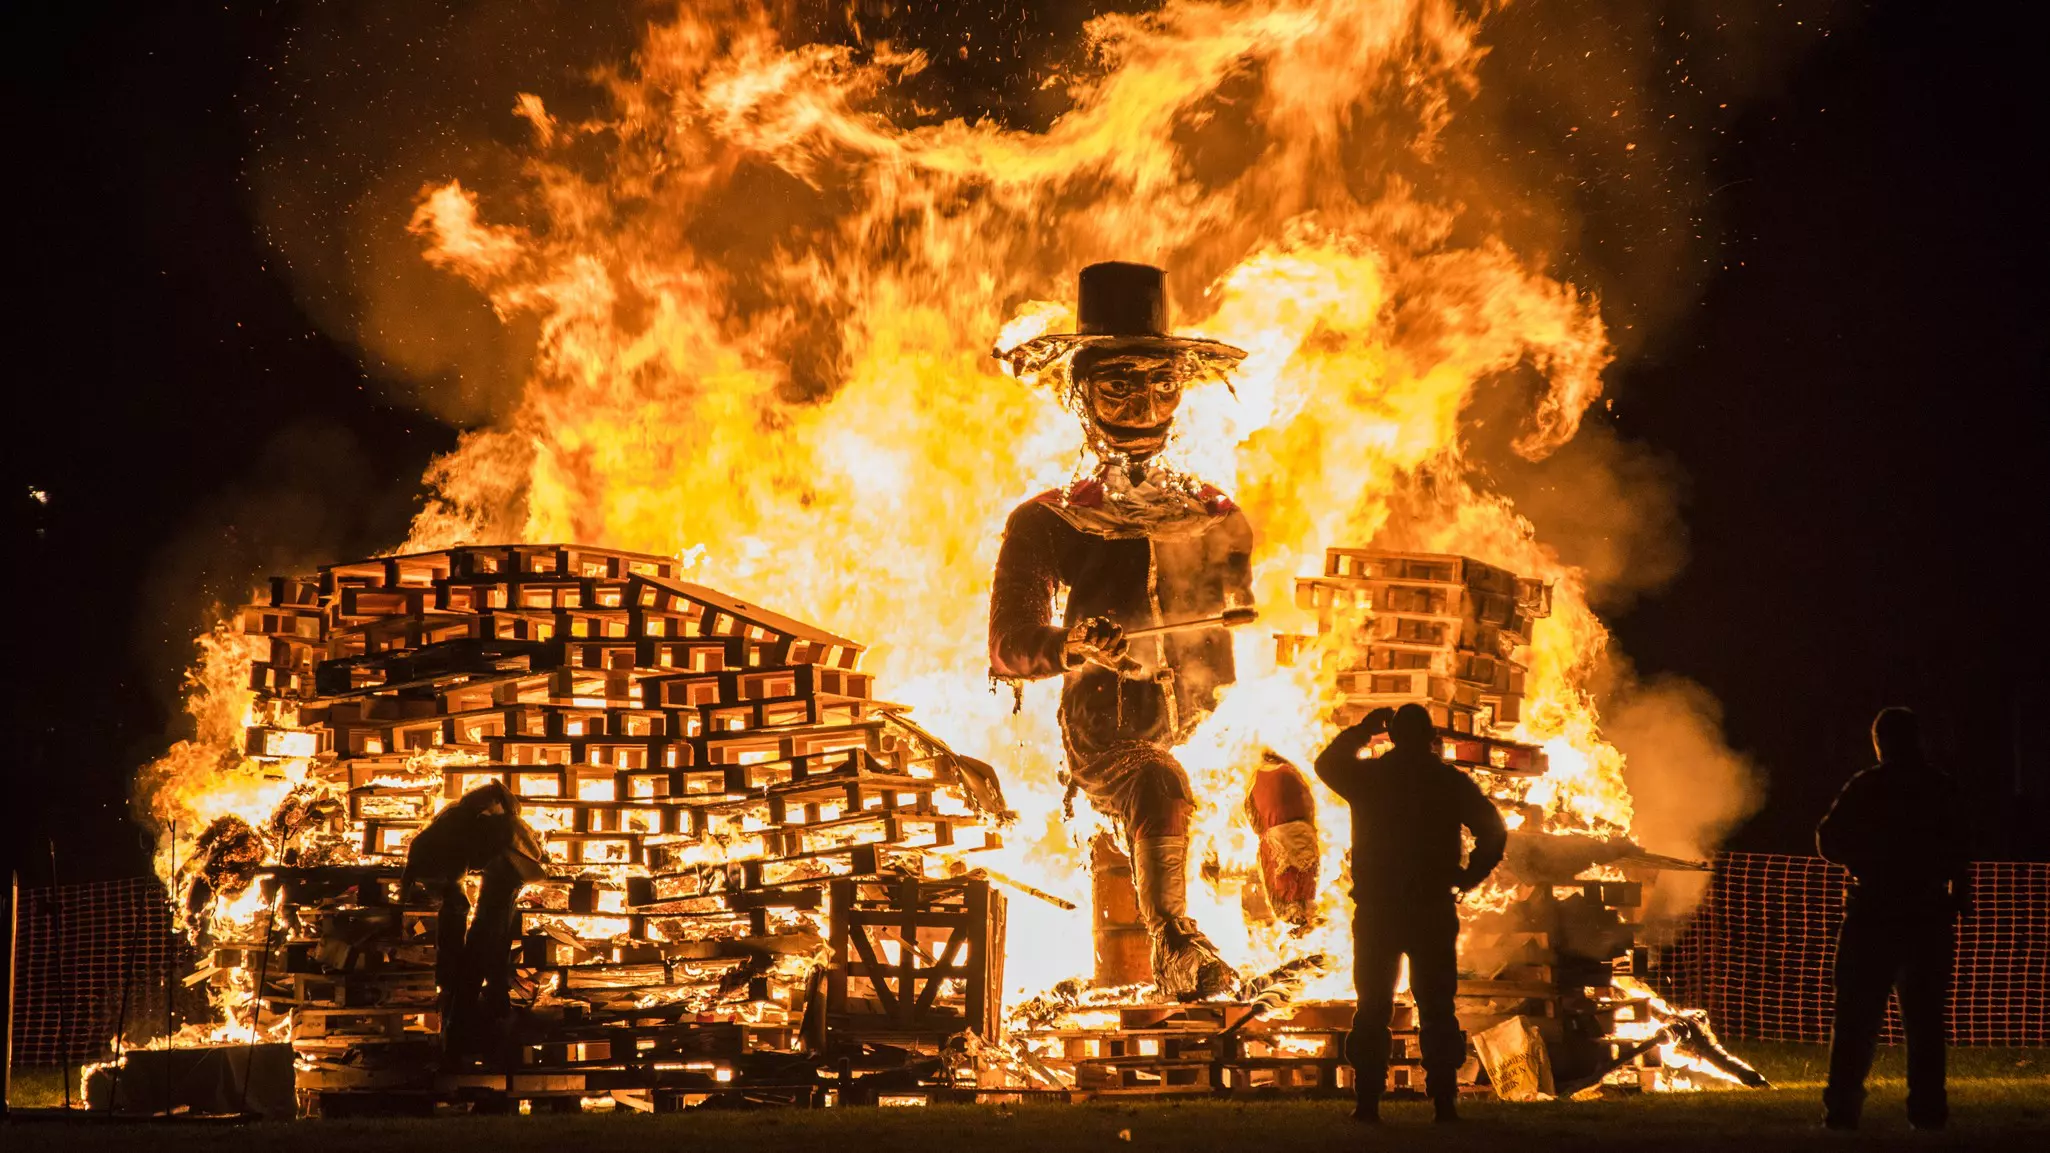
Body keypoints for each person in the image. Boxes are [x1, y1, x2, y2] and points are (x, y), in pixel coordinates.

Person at [989, 261, 1320, 1000]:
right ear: (1080, 392)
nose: (1143, 405)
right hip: (1112, 746)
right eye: (1120, 385)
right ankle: (1175, 942)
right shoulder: (1047, 519)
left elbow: (1240, 620)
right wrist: (1072, 648)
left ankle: (1306, 939)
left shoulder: (1214, 514)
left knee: (1280, 779)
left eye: (1160, 385)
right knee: (1161, 777)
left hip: (1207, 725)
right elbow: (1008, 642)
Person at [1315, 702, 1506, 1123]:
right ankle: (1444, 1103)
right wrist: (1468, 876)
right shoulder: (1448, 783)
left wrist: (1363, 732)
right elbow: (1493, 831)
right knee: (1437, 1005)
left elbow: (1326, 764)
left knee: (1373, 1006)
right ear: (1433, 738)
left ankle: (1367, 1103)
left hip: (1379, 909)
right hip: (1431, 909)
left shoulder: (1371, 778)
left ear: (1395, 736)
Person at [1816, 707, 1971, 1130]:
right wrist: (1960, 894)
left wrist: (1861, 861)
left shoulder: (1867, 786)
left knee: (1854, 1018)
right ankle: (1928, 1113)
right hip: (1927, 915)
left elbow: (1828, 839)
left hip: (1873, 913)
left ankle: (1842, 1110)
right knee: (1925, 1022)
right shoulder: (1940, 788)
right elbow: (1962, 845)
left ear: (1880, 742)